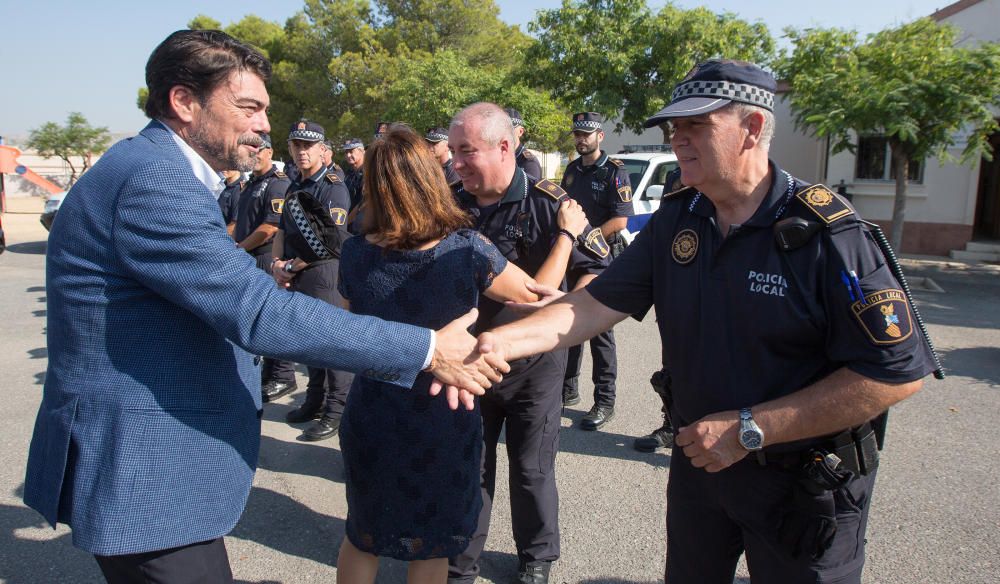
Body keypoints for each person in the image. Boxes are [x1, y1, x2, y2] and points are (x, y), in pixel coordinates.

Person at [22, 29, 507, 584]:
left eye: (264, 109)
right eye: (248, 107)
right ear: (184, 101)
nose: (264, 125)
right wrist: (426, 347)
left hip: (159, 471)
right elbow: (259, 313)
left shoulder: (153, 167)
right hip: (146, 474)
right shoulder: (154, 178)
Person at [475, 59, 936, 584]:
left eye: (697, 126)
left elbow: (894, 373)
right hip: (703, 468)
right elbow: (591, 305)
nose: (678, 141)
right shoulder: (680, 217)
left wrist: (751, 429)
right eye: (675, 129)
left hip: (804, 486)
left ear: (753, 129)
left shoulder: (830, 235)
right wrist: (491, 344)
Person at [335, 124, 584, 584]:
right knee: (432, 545)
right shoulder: (466, 249)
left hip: (372, 410)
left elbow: (352, 326)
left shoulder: (353, 253)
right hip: (442, 413)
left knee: (361, 535)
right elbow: (538, 295)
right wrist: (567, 236)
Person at [446, 103, 609, 584]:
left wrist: (567, 304)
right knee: (470, 470)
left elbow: (597, 274)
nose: (456, 163)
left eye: (466, 152)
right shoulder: (451, 201)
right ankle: (460, 563)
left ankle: (536, 557)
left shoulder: (553, 204)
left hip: (533, 368)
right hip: (470, 363)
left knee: (531, 470)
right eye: (453, 152)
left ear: (505, 147)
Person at [271, 119, 355, 441]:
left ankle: (336, 411)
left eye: (308, 146)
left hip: (324, 273)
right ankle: (314, 401)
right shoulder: (295, 185)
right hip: (297, 272)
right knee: (310, 344)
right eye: (297, 145)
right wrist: (277, 263)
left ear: (323, 150)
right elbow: (281, 230)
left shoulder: (333, 186)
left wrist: (290, 266)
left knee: (332, 345)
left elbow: (328, 241)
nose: (302, 151)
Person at [560, 112, 633, 431]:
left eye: (587, 134)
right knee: (570, 324)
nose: (581, 138)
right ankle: (568, 388)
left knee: (600, 332)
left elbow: (620, 221)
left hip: (603, 259)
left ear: (600, 137)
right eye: (577, 133)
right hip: (576, 259)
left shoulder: (616, 171)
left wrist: (586, 239)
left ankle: (605, 400)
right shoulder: (573, 169)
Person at [233, 132, 298, 401]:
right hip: (249, 256)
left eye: (259, 149)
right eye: (250, 148)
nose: (254, 153)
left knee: (271, 318)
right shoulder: (252, 183)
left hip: (262, 256)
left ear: (270, 153)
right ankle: (270, 373)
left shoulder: (277, 184)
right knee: (260, 319)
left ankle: (283, 376)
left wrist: (239, 248)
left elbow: (271, 227)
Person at [505, 108, 542, 180]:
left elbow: (528, 190)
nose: (505, 134)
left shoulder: (529, 163)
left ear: (520, 131)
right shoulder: (497, 158)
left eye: (510, 130)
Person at [218, 169, 243, 236]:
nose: (224, 167)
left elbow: (235, 224)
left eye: (228, 164)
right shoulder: (221, 186)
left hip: (223, 238)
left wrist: (216, 238)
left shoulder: (239, 190)